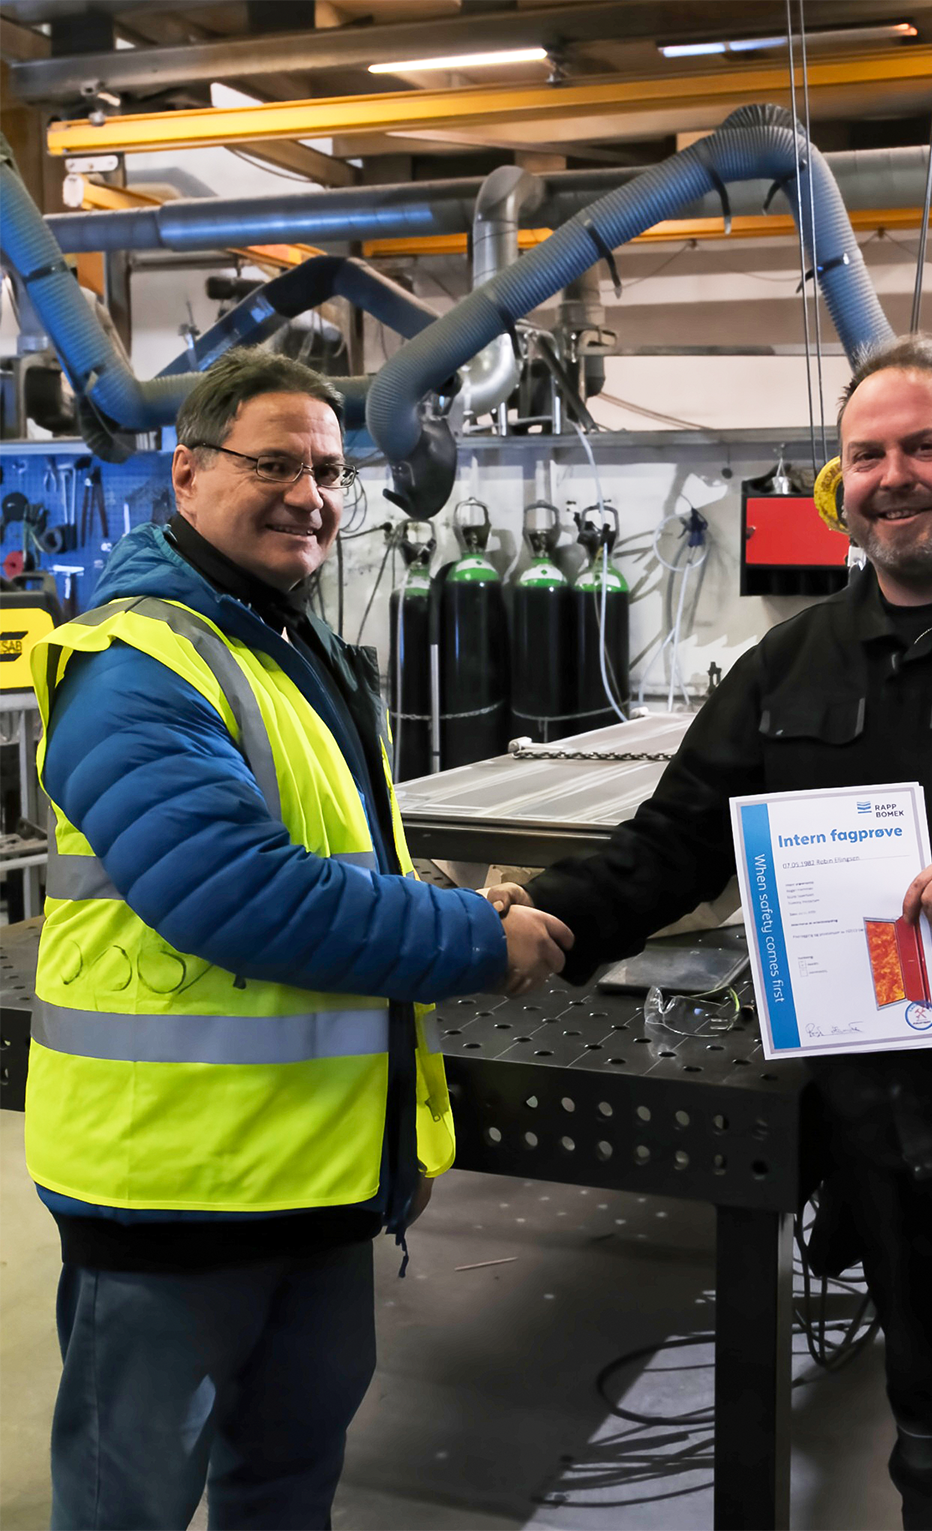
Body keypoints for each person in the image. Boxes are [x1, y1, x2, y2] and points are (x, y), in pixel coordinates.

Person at [488, 336, 932, 1529]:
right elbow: (674, 838)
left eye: (925, 445)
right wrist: (553, 918)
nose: (895, 475)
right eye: (866, 455)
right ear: (841, 484)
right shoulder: (790, 664)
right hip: (882, 1139)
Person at [24, 347, 572, 1531]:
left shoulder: (289, 646)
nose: (309, 494)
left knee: (285, 1485)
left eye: (329, 470)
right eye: (273, 463)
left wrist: (390, 1139)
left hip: (312, 1179)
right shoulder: (138, 662)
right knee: (131, 1503)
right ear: (186, 476)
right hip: (169, 1192)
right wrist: (482, 938)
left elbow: (331, 854)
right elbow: (241, 894)